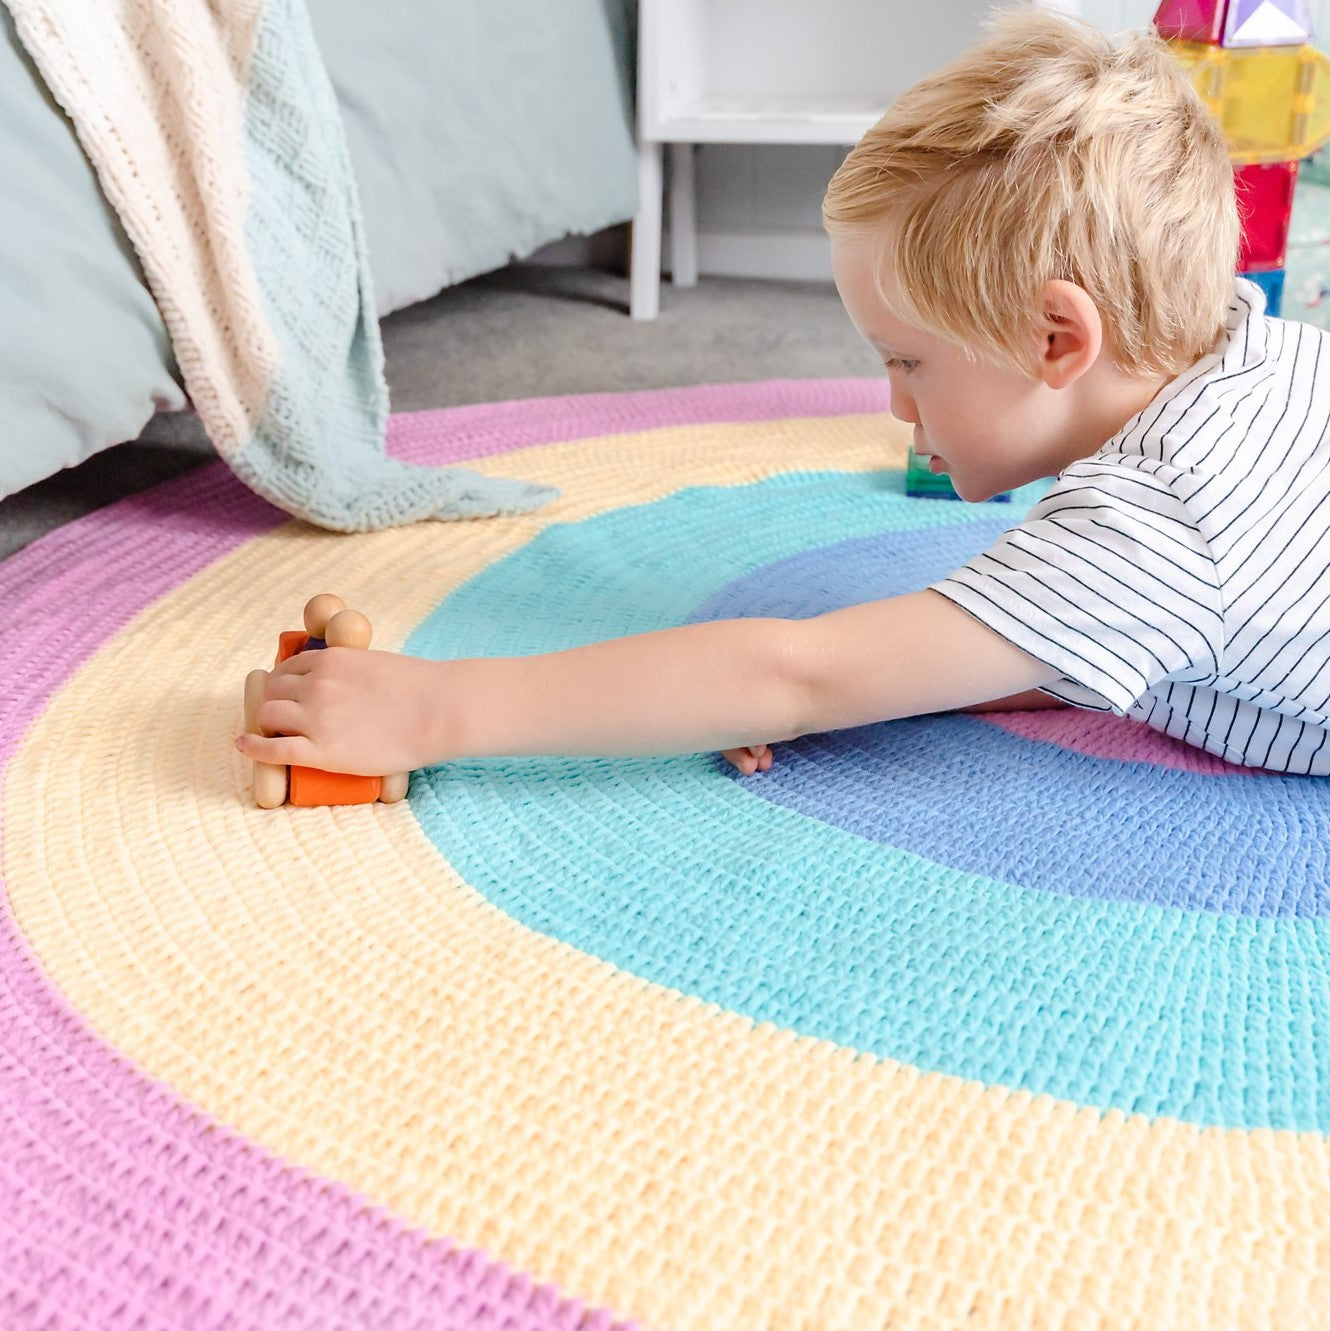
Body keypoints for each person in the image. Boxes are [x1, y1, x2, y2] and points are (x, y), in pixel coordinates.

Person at [236, 5, 1330, 781]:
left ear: (1057, 337)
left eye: (910, 362)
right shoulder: (1252, 353)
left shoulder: (1160, 529)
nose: (896, 406)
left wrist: (434, 708)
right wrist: (894, 682)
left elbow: (795, 673)